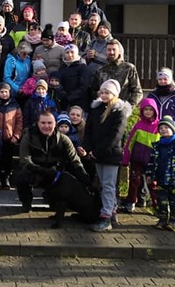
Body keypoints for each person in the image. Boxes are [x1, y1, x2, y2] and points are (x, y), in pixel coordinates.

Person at [82, 79, 132, 232]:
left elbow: (115, 136)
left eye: (107, 93)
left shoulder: (119, 112)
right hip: (97, 154)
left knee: (109, 186)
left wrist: (97, 151)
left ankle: (106, 217)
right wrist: (89, 148)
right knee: (103, 185)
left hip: (110, 155)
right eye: (102, 92)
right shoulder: (96, 109)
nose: (103, 95)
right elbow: (88, 130)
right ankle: (111, 210)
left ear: (114, 94)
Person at [16, 111, 91, 212]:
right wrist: (41, 170)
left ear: (55, 124)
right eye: (43, 123)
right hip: (36, 171)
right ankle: (26, 203)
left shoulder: (64, 139)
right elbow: (25, 161)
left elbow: (75, 160)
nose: (46, 126)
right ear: (37, 123)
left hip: (55, 174)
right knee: (21, 177)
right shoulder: (28, 137)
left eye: (50, 123)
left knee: (74, 176)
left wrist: (85, 179)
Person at [146, 115, 175, 231]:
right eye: (161, 128)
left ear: (173, 129)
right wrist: (149, 174)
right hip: (161, 179)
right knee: (161, 201)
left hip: (174, 180)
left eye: (166, 127)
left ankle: (173, 221)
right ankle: (162, 219)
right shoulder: (157, 146)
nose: (163, 130)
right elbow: (151, 161)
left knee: (174, 202)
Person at [119, 98, 160, 213]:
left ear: (155, 111)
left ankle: (157, 206)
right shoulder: (138, 125)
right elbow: (130, 143)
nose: (148, 112)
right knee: (134, 181)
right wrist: (126, 159)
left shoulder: (158, 127)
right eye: (145, 109)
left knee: (152, 184)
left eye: (150, 110)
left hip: (151, 161)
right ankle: (131, 202)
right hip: (137, 160)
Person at [0, 82, 23, 190]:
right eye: (2, 92)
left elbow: (19, 122)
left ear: (9, 92)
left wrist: (16, 136)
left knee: (8, 160)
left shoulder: (15, 106)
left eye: (6, 92)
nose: (4, 94)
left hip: (10, 138)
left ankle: (6, 178)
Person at [91, 38, 143, 106]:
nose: (111, 52)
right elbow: (93, 91)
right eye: (109, 50)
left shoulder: (129, 68)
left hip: (123, 107)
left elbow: (137, 92)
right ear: (106, 51)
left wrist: (128, 106)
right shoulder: (100, 70)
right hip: (104, 108)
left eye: (114, 50)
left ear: (119, 51)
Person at [58, 44, 91, 111]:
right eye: (67, 52)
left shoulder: (82, 67)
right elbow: (59, 82)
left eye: (72, 52)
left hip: (79, 101)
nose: (70, 55)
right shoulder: (62, 68)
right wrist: (62, 94)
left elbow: (84, 86)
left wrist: (71, 97)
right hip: (64, 102)